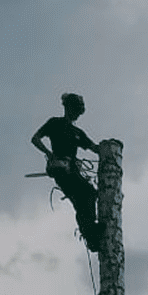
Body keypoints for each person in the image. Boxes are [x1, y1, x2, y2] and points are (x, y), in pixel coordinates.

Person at [31, 93, 103, 251]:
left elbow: (94, 148)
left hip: (71, 170)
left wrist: (106, 148)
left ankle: (91, 236)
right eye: (75, 109)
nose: (77, 114)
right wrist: (49, 153)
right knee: (88, 193)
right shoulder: (54, 123)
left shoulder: (78, 133)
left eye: (79, 111)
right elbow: (35, 138)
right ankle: (91, 233)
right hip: (61, 169)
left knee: (82, 201)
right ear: (67, 107)